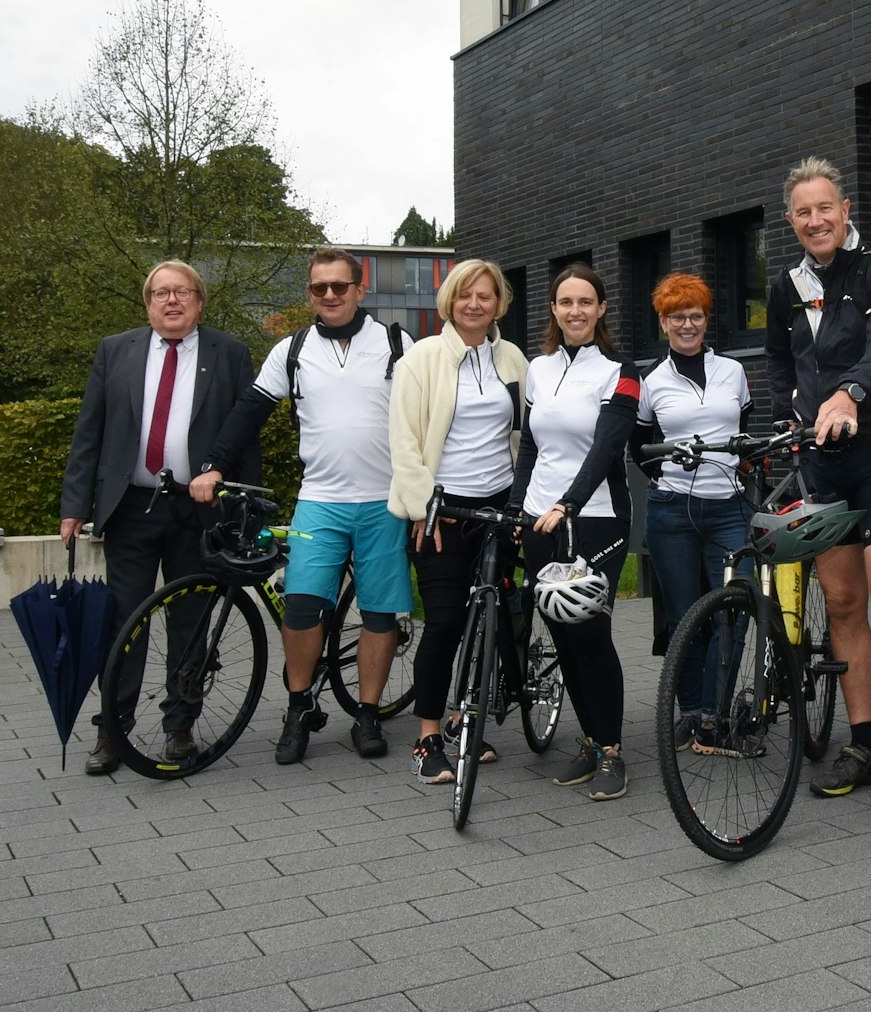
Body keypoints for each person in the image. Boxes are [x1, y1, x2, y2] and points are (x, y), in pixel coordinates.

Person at [764, 155, 871, 826]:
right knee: (841, 604)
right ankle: (866, 745)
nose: (815, 220)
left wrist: (849, 395)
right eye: (802, 212)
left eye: (824, 208)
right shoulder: (786, 286)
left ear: (844, 210)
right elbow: (778, 358)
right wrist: (791, 415)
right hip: (821, 460)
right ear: (791, 221)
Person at [188, 248, 412, 764]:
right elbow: (249, 411)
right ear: (309, 293)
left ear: (360, 289)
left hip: (385, 502)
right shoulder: (292, 350)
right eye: (319, 288)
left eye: (339, 286)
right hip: (320, 501)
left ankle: (368, 714)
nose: (329, 295)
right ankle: (299, 706)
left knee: (380, 614)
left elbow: (430, 414)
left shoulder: (398, 344)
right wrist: (213, 465)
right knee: (302, 608)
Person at [61, 260, 258, 775]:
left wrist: (242, 512)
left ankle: (180, 726)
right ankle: (113, 728)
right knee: (123, 620)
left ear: (199, 302)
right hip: (131, 508)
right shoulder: (115, 350)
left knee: (190, 622)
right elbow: (89, 431)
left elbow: (245, 438)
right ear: (148, 303)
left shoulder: (230, 354)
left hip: (199, 512)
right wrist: (74, 506)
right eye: (161, 293)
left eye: (182, 292)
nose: (172, 301)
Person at [388, 258, 527, 784]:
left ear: (498, 303)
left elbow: (527, 436)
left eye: (485, 295)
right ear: (450, 299)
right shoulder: (422, 359)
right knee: (445, 622)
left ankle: (461, 718)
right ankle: (427, 737)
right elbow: (403, 441)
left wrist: (521, 503)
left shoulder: (513, 359)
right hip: (442, 511)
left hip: (499, 507)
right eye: (465, 294)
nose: (474, 304)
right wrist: (422, 507)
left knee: (488, 618)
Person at [512, 263, 640, 799]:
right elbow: (531, 447)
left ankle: (611, 751)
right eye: (566, 302)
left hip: (597, 518)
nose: (575, 311)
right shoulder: (539, 370)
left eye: (586, 301)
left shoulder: (620, 371)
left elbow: (607, 446)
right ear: (554, 309)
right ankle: (589, 741)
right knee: (561, 634)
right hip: (539, 518)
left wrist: (569, 503)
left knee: (589, 632)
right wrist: (518, 510)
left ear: (602, 308)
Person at [632, 274, 753, 747]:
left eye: (696, 316)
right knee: (684, 617)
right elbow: (640, 445)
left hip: (728, 508)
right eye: (677, 317)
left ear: (706, 320)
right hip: (672, 511)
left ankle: (713, 714)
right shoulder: (651, 380)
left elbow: (743, 427)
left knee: (734, 609)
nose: (688, 325)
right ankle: (692, 713)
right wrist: (665, 473)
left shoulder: (733, 371)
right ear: (663, 322)